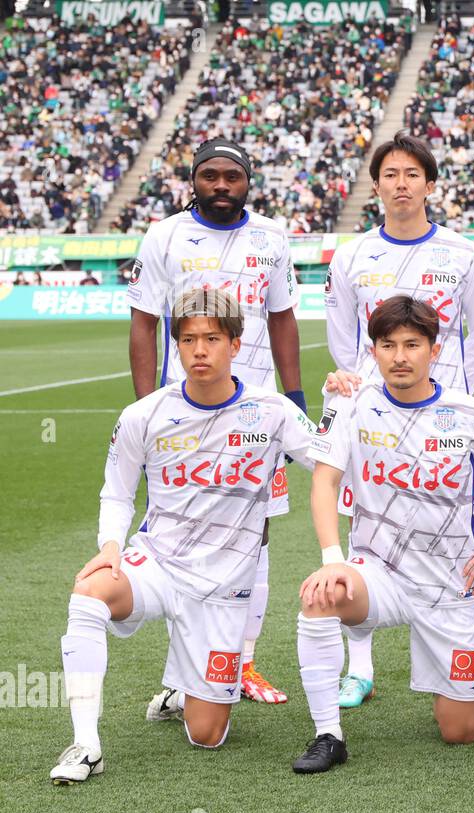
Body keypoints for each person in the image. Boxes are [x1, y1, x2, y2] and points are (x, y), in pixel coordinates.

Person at [51, 289, 319, 784]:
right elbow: (117, 492)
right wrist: (110, 546)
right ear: (175, 345)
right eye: (189, 339)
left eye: (212, 339)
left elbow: (327, 459)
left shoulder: (273, 411)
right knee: (90, 594)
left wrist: (349, 402)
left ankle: (182, 688)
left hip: (223, 586)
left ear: (235, 345)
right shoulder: (144, 414)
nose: (199, 350)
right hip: (158, 561)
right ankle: (86, 745)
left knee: (208, 735)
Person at [291, 296, 474, 774]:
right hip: (380, 572)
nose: (400, 356)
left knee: (461, 733)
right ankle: (328, 734)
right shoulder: (353, 404)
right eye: (387, 345)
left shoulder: (468, 411)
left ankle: (465, 686)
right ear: (373, 351)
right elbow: (324, 480)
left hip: (450, 585)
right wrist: (332, 557)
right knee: (320, 595)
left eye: (412, 345)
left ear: (433, 351)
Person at [322, 131, 474, 710]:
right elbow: (343, 335)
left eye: (412, 174)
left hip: (441, 417)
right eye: (390, 175)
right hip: (372, 420)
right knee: (366, 532)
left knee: (460, 529)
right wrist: (354, 384)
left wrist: (452, 394)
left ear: (429, 183)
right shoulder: (352, 256)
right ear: (376, 185)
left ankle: (470, 663)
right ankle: (360, 667)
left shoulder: (463, 253)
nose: (401, 185)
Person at [126, 137, 304, 706]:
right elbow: (144, 324)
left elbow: (282, 319)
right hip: (183, 417)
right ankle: (185, 674)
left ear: (247, 181)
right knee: (179, 535)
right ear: (193, 180)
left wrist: (294, 398)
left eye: (232, 176)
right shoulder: (165, 235)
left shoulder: (271, 237)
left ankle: (242, 662)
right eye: (210, 176)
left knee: (258, 532)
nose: (221, 185)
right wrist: (147, 411)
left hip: (256, 420)